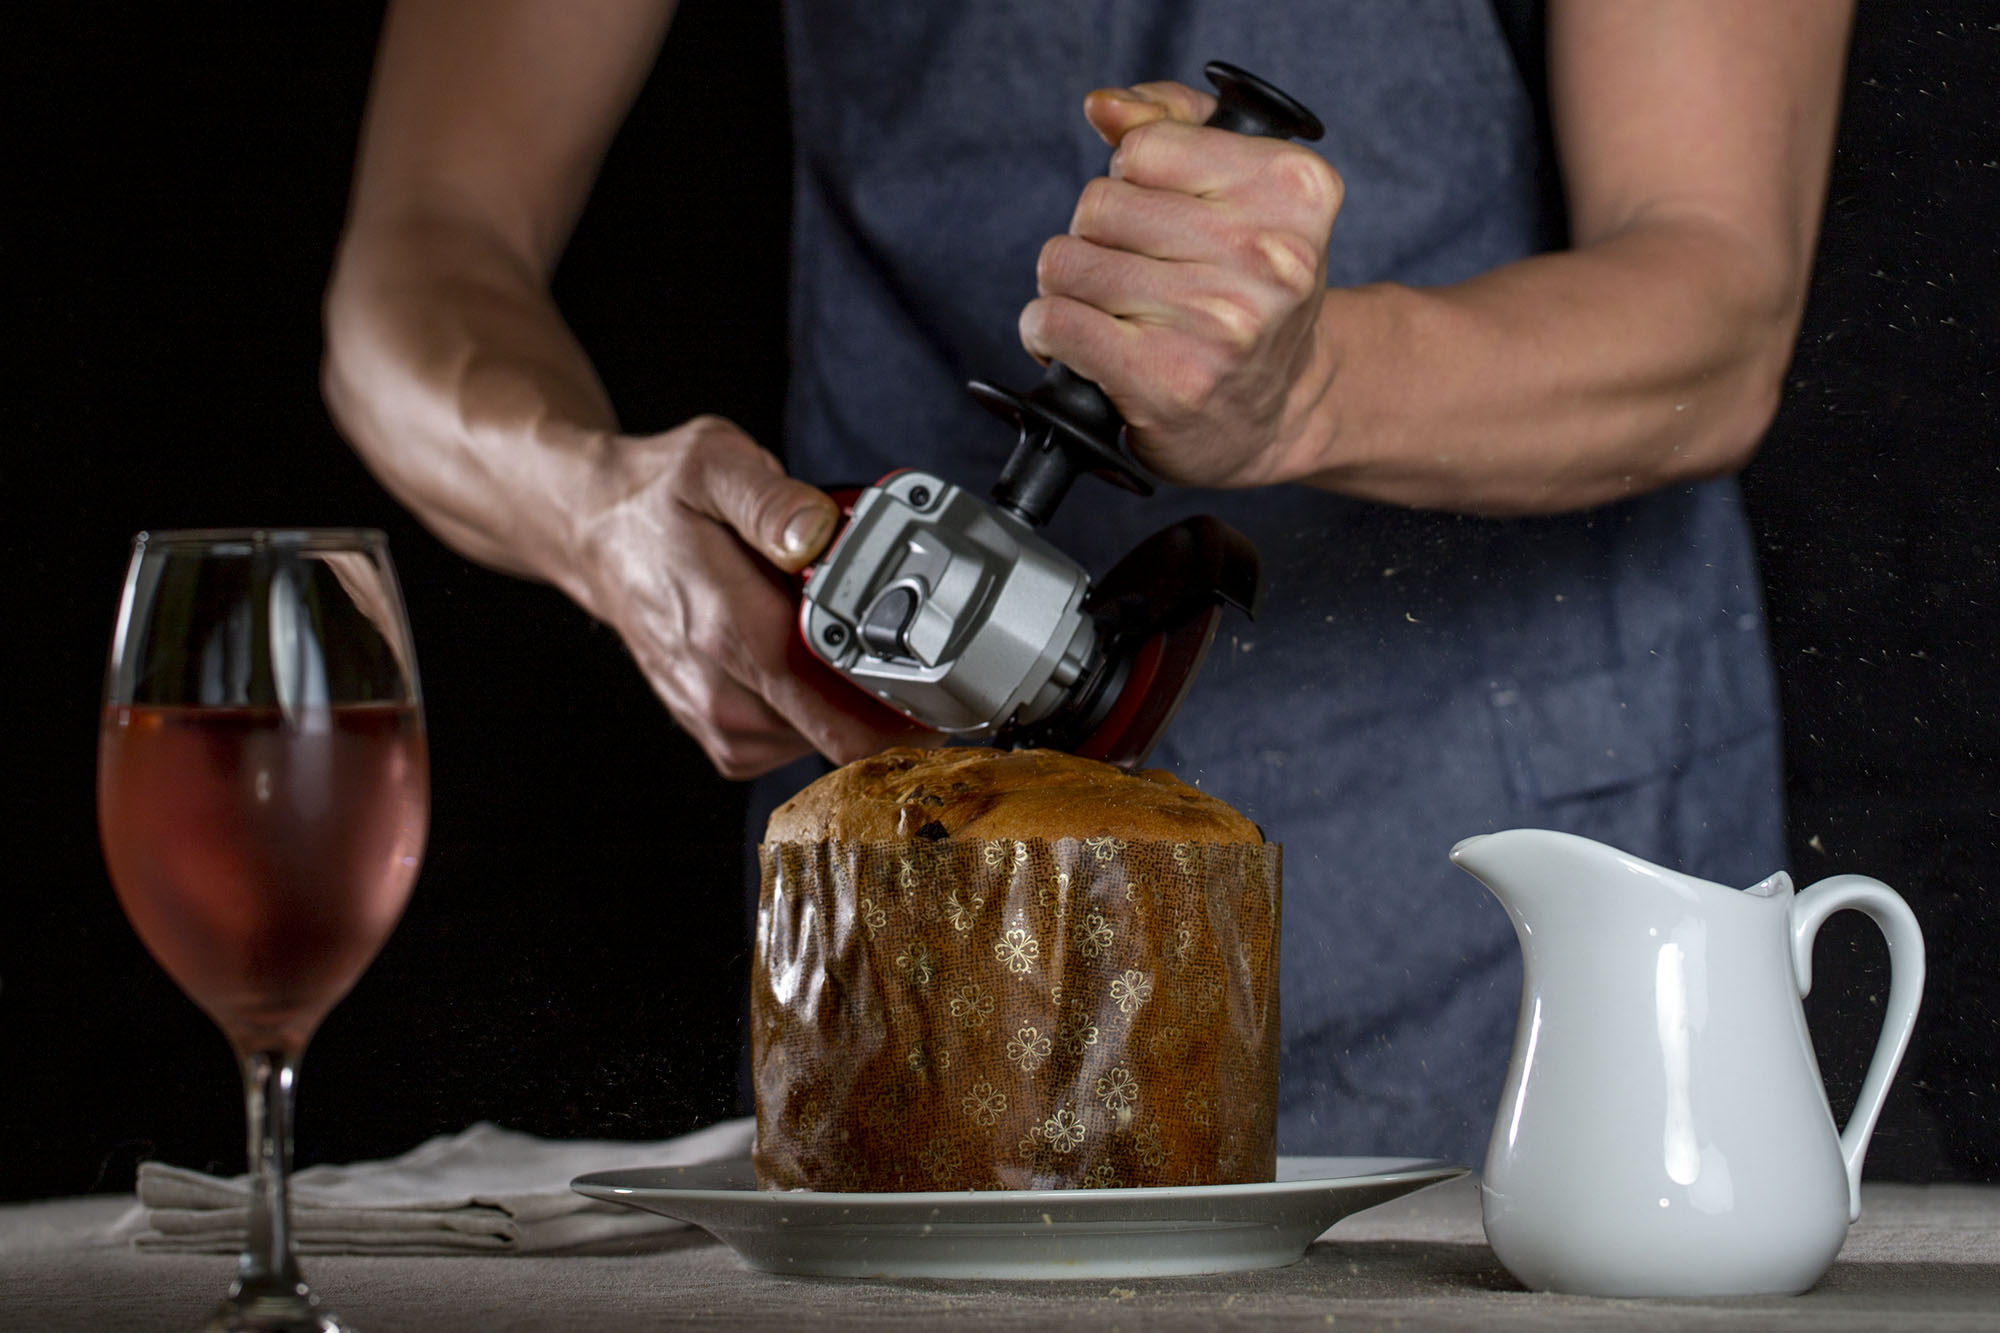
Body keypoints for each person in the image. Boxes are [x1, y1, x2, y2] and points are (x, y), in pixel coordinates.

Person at [323, 0, 1855, 1165]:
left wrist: (1308, 391)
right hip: (916, 889)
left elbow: (1718, 294)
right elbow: (420, 251)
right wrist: (594, 506)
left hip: (1505, 896)